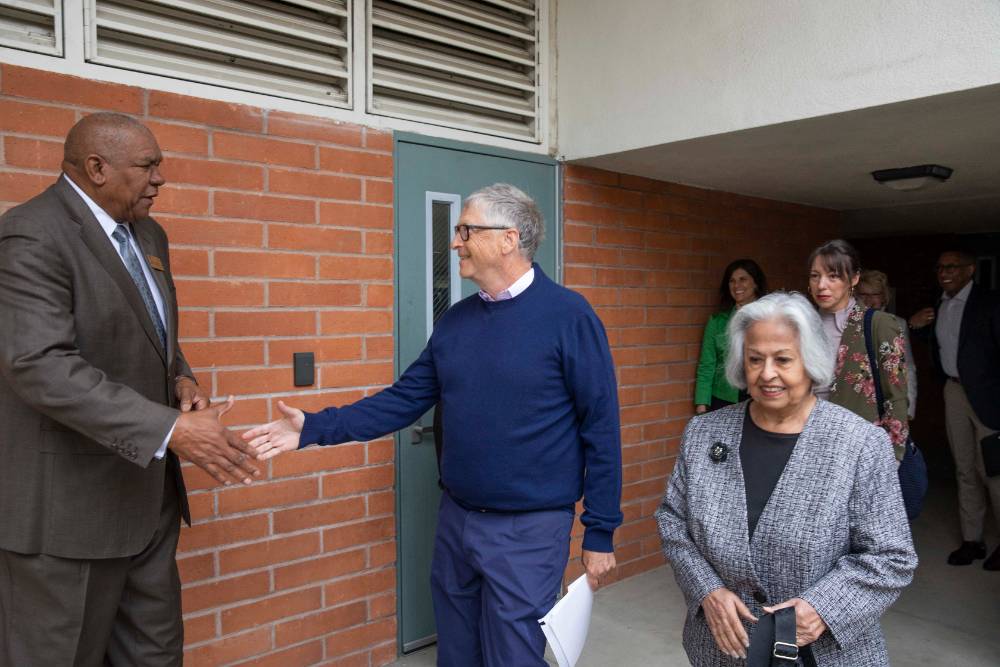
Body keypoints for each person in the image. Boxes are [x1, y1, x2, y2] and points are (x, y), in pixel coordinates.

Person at [243, 183, 622, 666]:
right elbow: (405, 399)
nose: (454, 241)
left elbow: (602, 428)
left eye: (466, 229)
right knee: (457, 653)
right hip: (457, 520)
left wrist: (600, 532)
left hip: (530, 529)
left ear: (509, 239)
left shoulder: (570, 316)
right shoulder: (456, 322)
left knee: (513, 655)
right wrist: (314, 428)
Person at [0, 112, 260, 666]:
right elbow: (37, 364)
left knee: (156, 656)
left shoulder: (149, 233)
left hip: (147, 504)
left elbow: (151, 326)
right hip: (69, 519)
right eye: (148, 166)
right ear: (97, 168)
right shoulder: (31, 234)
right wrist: (169, 428)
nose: (160, 179)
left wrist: (180, 377)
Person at [656, 291, 917, 666]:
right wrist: (707, 590)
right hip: (721, 651)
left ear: (811, 361)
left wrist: (824, 609)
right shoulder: (703, 433)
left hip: (822, 655)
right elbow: (672, 522)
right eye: (755, 359)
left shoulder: (860, 443)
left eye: (783, 360)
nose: (766, 374)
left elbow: (892, 556)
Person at [909, 250, 1000, 569]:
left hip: (990, 397)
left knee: (995, 471)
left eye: (951, 267)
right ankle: (972, 540)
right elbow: (937, 342)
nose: (944, 272)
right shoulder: (940, 304)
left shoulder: (989, 303)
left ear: (970, 270)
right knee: (964, 468)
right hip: (954, 390)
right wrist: (915, 325)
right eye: (940, 267)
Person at [807, 240, 909, 459]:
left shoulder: (878, 324)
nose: (821, 285)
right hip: (808, 439)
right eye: (815, 276)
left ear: (854, 279)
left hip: (859, 445)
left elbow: (896, 394)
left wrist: (893, 457)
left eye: (833, 276)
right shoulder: (802, 324)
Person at [694, 259, 767, 414]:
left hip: (761, 396)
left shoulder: (771, 318)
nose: (736, 286)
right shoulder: (717, 322)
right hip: (723, 398)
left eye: (743, 279)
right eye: (732, 281)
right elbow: (707, 365)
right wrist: (701, 405)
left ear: (755, 283)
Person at [857, 269, 918, 420]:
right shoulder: (846, 324)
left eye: (875, 294)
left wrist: (908, 407)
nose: (868, 300)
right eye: (863, 294)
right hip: (855, 400)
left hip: (889, 400)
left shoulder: (898, 324)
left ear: (884, 297)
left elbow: (907, 367)